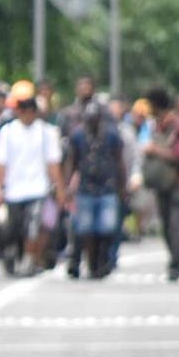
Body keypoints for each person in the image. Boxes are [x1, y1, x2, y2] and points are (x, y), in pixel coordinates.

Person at [0, 93, 65, 276]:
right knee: (12, 228)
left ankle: (28, 260)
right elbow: (0, 162)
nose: (28, 115)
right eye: (24, 111)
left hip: (37, 188)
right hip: (14, 190)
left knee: (34, 226)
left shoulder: (46, 132)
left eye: (31, 111)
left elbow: (53, 162)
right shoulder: (7, 131)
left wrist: (59, 188)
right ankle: (12, 253)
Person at [65, 101, 125, 279]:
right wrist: (68, 185)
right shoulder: (78, 136)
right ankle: (90, 264)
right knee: (85, 229)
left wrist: (123, 186)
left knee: (106, 228)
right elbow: (72, 161)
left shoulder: (111, 135)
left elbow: (119, 161)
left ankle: (103, 260)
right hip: (85, 188)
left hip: (107, 187)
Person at [142, 89, 179, 281]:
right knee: (166, 223)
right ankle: (174, 256)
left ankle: (176, 261)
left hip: (178, 182)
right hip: (161, 183)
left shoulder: (178, 127)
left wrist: (155, 150)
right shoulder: (155, 126)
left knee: (175, 223)